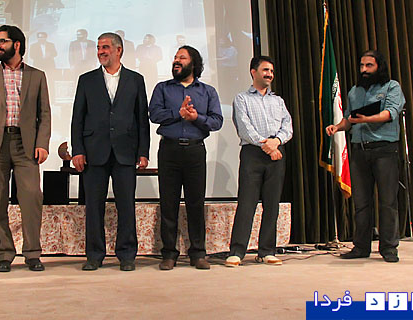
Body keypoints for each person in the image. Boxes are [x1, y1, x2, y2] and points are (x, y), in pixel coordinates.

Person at [0, 25, 51, 272]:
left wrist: (42, 144)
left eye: (2, 41)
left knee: (31, 199)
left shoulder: (37, 75)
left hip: (25, 145)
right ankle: (4, 253)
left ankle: (32, 253)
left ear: (16, 44)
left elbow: (44, 113)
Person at [71, 32, 150, 271]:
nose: (101, 52)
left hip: (126, 151)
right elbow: (77, 119)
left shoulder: (135, 80)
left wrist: (143, 151)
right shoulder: (86, 80)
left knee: (126, 205)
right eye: (98, 48)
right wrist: (77, 150)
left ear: (119, 50)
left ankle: (127, 255)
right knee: (94, 206)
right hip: (94, 151)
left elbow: (142, 119)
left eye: (105, 47)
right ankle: (94, 255)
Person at [326, 50, 405, 263]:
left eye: (369, 65)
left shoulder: (391, 87)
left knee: (387, 201)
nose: (364, 70)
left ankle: (389, 248)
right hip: (359, 151)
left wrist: (366, 119)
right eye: (362, 65)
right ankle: (361, 246)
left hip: (384, 150)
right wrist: (337, 127)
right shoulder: (354, 91)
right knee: (361, 202)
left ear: (379, 66)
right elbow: (349, 119)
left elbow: (390, 113)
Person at [149, 45, 223, 270]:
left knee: (195, 203)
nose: (176, 61)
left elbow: (217, 121)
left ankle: (198, 253)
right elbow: (154, 114)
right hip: (169, 150)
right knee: (168, 203)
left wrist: (196, 118)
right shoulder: (163, 88)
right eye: (175, 57)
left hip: (195, 150)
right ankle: (169, 254)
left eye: (182, 57)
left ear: (193, 63)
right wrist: (178, 114)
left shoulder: (207, 91)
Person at [226, 56, 293, 267]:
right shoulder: (242, 99)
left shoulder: (278, 101)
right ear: (253, 72)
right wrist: (266, 145)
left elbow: (288, 126)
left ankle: (267, 251)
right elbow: (244, 127)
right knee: (247, 204)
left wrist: (276, 142)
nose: (269, 74)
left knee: (272, 204)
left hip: (276, 152)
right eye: (265, 70)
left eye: (271, 71)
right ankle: (237, 251)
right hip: (253, 153)